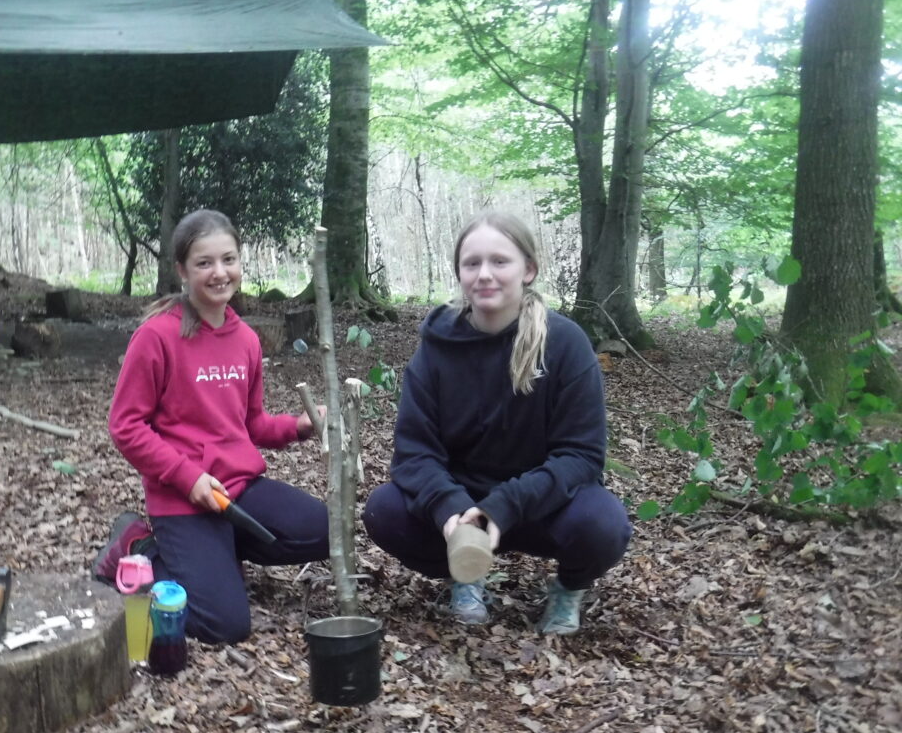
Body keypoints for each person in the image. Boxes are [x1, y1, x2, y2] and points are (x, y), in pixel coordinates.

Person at [362, 211, 631, 635]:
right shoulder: (436, 348)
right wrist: (450, 510)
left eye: (500, 261)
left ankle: (568, 589)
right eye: (472, 263)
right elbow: (414, 455)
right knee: (385, 510)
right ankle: (465, 573)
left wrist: (504, 506)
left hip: (543, 503)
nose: (484, 274)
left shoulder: (566, 343)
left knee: (604, 524)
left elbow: (581, 457)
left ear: (528, 270)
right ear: (459, 273)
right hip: (463, 505)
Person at [105, 209, 329, 645]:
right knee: (223, 625)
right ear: (182, 271)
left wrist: (299, 426)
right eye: (204, 263)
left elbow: (252, 424)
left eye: (229, 259)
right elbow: (125, 425)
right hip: (183, 499)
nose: (219, 272)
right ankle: (139, 549)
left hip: (238, 491)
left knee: (325, 529)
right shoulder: (156, 337)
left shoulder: (245, 339)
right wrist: (188, 478)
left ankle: (217, 556)